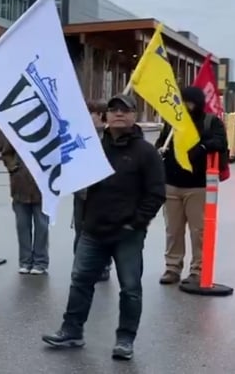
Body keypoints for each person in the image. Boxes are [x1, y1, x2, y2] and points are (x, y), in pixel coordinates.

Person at [42, 94, 165, 361]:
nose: (119, 114)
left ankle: (125, 339)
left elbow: (156, 194)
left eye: (125, 110)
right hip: (93, 231)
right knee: (80, 282)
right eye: (114, 110)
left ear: (134, 115)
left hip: (127, 234)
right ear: (105, 116)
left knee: (130, 288)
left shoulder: (146, 152)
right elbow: (76, 179)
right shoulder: (92, 147)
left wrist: (136, 223)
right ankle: (71, 331)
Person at [156, 86, 228, 285]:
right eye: (182, 101)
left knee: (199, 231)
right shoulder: (172, 123)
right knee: (173, 230)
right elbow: (162, 143)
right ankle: (172, 268)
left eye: (189, 101)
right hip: (171, 184)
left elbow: (221, 142)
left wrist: (202, 147)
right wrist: (159, 151)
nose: (186, 106)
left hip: (198, 186)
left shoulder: (210, 122)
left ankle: (198, 269)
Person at [72, 100, 111, 281]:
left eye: (91, 113)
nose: (88, 117)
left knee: (102, 230)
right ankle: (80, 265)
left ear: (101, 116)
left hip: (103, 194)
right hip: (82, 192)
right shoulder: (79, 135)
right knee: (81, 231)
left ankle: (103, 266)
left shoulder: (110, 138)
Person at [2, 139, 48, 275]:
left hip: (43, 188)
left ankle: (40, 262)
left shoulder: (46, 131)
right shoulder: (17, 130)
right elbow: (6, 153)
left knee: (42, 226)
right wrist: (13, 167)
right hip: (20, 186)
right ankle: (25, 262)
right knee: (23, 226)